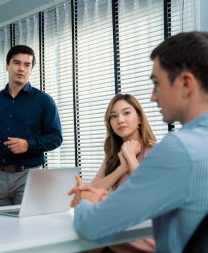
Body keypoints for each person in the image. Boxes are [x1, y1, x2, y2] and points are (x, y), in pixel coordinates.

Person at [68, 31, 208, 253]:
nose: (153, 96)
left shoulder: (177, 150)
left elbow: (90, 226)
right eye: (114, 116)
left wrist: (85, 200)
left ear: (185, 84)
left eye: (157, 84)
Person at [0, 45, 62, 208]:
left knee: (29, 229)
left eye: (27, 65)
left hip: (29, 177)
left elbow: (55, 138)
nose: (21, 68)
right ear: (7, 65)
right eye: (16, 63)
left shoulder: (44, 101)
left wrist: (28, 145)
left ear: (31, 69)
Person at [89, 93, 156, 252]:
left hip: (144, 235)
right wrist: (121, 169)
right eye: (114, 116)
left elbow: (149, 194)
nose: (120, 120)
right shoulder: (112, 155)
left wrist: (131, 158)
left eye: (126, 113)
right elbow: (92, 191)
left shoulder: (155, 150)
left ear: (139, 118)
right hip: (117, 230)